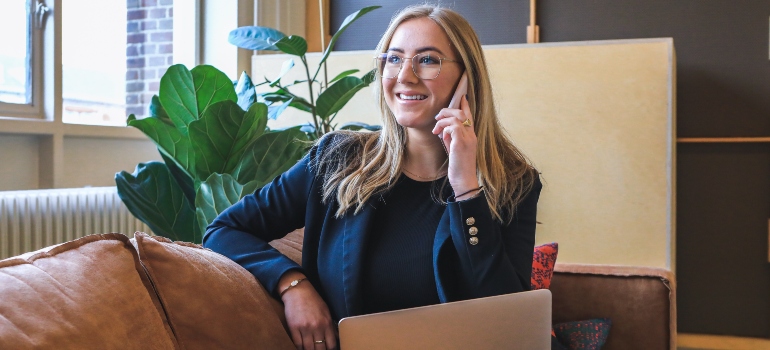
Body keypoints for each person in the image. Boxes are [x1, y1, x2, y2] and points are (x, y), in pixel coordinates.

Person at [203, 4, 542, 350]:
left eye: (427, 60)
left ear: (466, 77)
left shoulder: (513, 183)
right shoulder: (337, 160)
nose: (404, 76)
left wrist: (466, 190)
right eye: (393, 59)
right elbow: (223, 231)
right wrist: (293, 284)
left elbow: (507, 320)